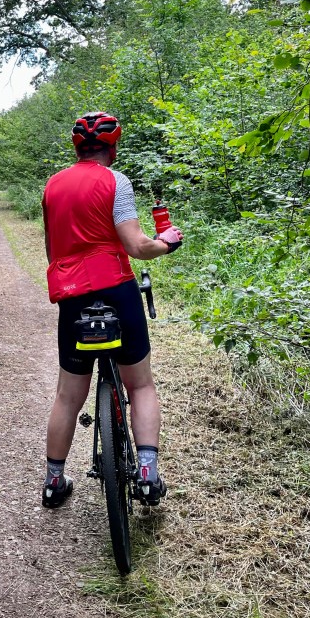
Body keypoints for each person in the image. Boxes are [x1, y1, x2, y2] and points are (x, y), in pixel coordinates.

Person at [40, 112, 183, 509]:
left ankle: (54, 481)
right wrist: (167, 241)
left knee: (68, 396)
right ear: (113, 148)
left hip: (71, 295)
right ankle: (148, 475)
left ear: (78, 149)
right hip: (116, 289)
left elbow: (53, 250)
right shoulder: (116, 181)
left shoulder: (52, 185)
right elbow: (136, 246)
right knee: (140, 386)